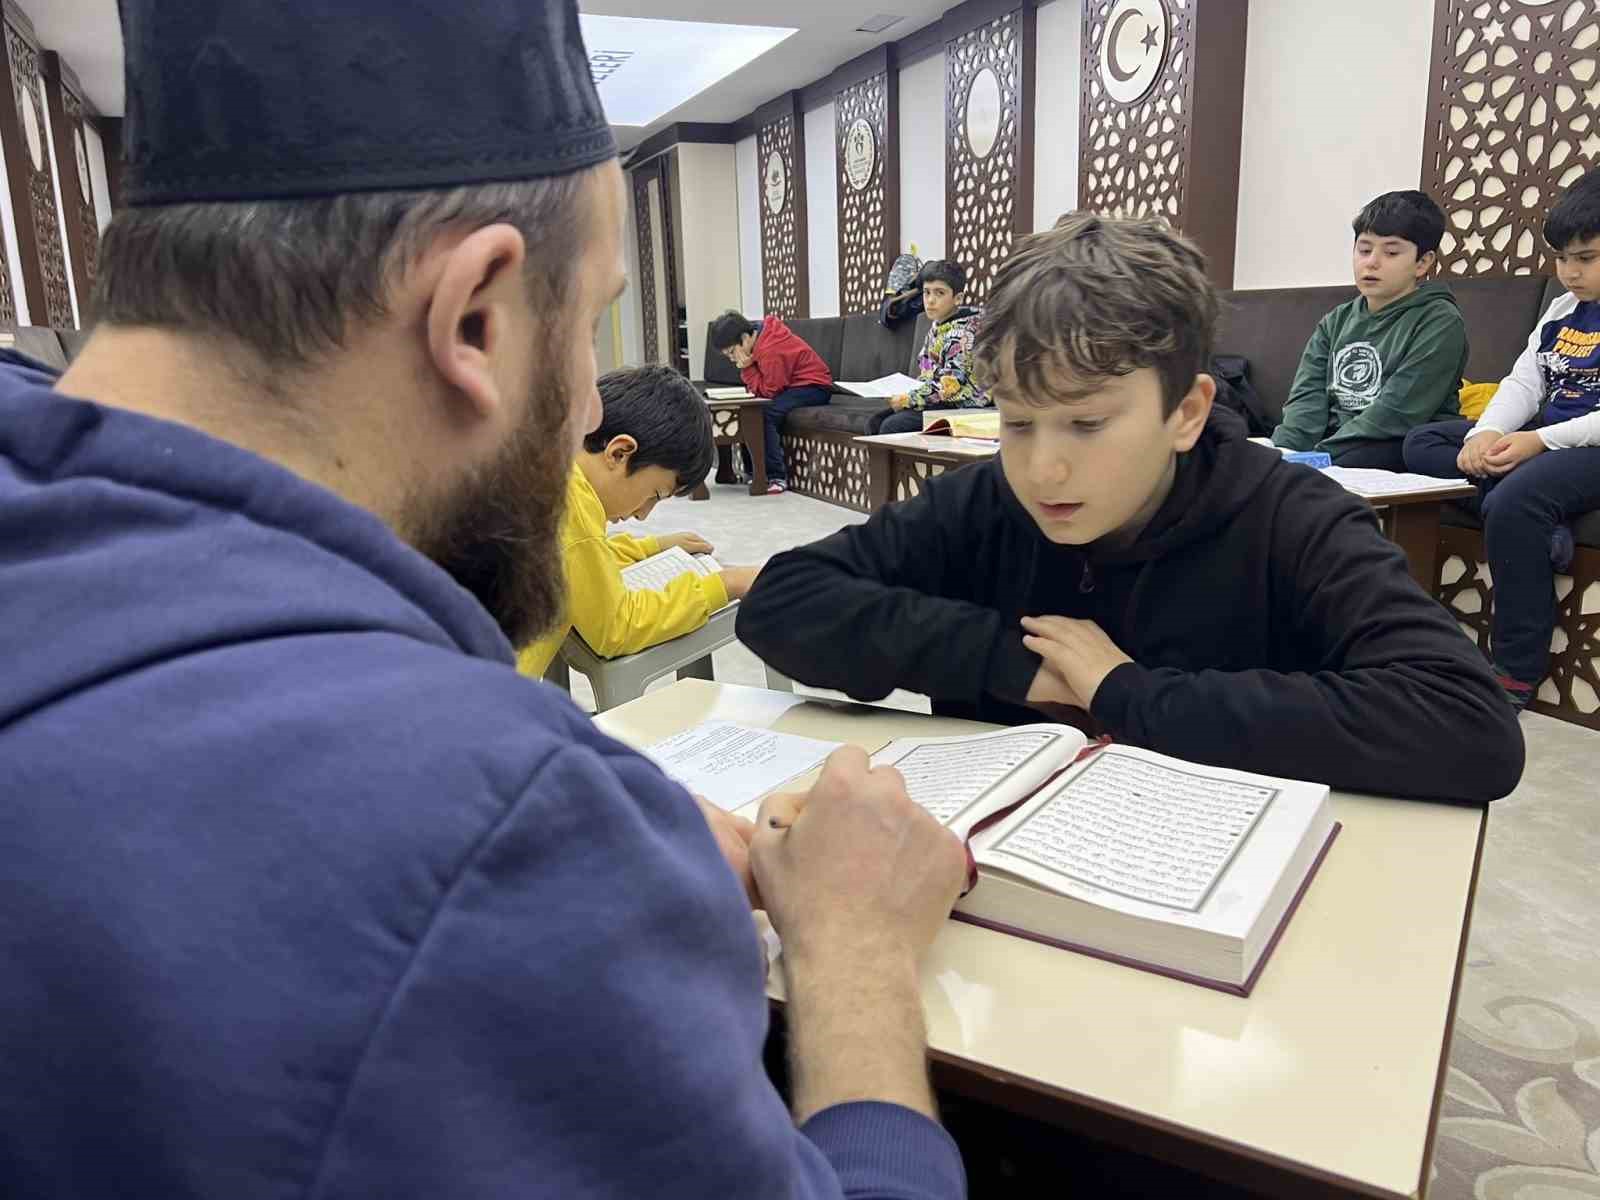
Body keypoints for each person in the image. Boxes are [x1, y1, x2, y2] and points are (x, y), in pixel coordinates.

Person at [0, 4, 969, 1199]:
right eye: (585, 326)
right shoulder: (482, 829)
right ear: (474, 319)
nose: (577, 412)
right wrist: (859, 956)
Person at [737, 213, 1524, 804]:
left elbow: (1470, 727)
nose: (1043, 466)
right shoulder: (987, 497)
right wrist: (1014, 664)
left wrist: (1127, 692)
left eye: (1087, 422)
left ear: (1186, 412)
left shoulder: (1290, 516)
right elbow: (783, 603)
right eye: (1016, 420)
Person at [1404, 174, 1600, 710]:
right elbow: (1524, 381)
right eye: (1562, 259)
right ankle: (1539, 519)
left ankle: (1515, 670)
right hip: (1543, 440)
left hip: (1589, 447)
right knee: (1422, 443)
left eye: (1586, 258)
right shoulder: (1563, 310)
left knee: (1516, 499)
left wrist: (1536, 441)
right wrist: (1487, 433)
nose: (1570, 273)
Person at [516, 365, 760, 677]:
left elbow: (579, 558)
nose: (643, 513)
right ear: (618, 453)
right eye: (655, 494)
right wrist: (727, 583)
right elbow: (618, 628)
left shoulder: (542, 464)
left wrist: (649, 547)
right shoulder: (570, 502)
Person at [1270, 190, 1468, 470]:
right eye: (1364, 249)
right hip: (1335, 446)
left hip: (1395, 443)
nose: (1371, 262)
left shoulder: (1440, 320)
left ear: (1422, 263)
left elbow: (1398, 410)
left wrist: (1320, 457)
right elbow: (1307, 396)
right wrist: (1284, 452)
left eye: (1390, 252)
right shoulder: (1336, 320)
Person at [710, 308, 834, 494]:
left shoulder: (770, 349)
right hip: (791, 385)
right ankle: (755, 472)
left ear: (744, 339)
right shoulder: (760, 340)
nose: (732, 359)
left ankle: (776, 476)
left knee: (762, 414)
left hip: (814, 386)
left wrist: (747, 369)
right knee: (748, 411)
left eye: (731, 352)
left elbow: (769, 391)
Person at [875, 259, 986, 435]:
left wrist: (906, 400)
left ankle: (904, 463)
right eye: (927, 293)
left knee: (892, 426)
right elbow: (927, 371)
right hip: (939, 401)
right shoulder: (937, 326)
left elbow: (949, 388)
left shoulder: (964, 333)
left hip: (962, 405)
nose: (930, 300)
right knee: (876, 421)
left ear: (958, 298)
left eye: (939, 293)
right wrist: (907, 394)